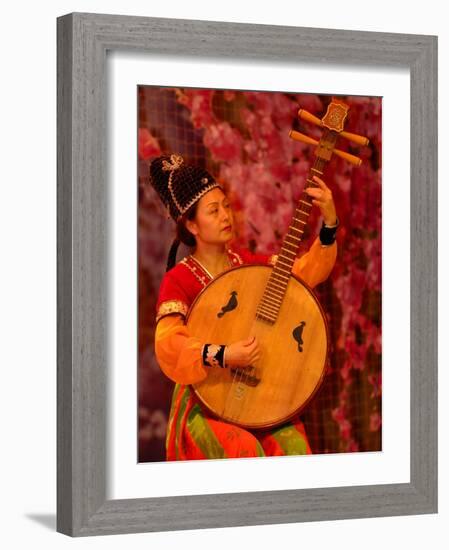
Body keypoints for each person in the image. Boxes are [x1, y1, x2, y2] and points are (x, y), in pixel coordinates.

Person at [149, 153, 338, 460]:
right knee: (242, 448)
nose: (226, 215)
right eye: (213, 210)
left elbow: (302, 275)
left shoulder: (245, 265)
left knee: (294, 446)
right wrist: (224, 354)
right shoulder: (179, 279)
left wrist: (329, 224)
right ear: (192, 225)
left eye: (226, 206)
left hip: (259, 397)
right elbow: (168, 344)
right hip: (205, 401)